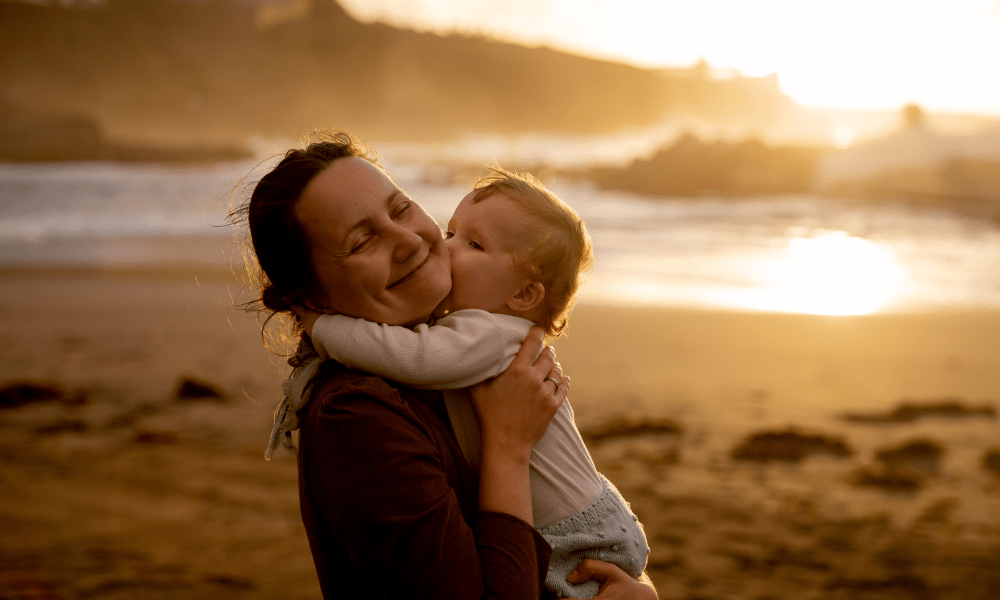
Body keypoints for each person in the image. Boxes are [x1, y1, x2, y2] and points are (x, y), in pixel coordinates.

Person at [233, 130, 657, 599]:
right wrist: (508, 446)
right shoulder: (357, 417)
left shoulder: (452, 351)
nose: (408, 240)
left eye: (400, 210)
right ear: (308, 298)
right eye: (361, 242)